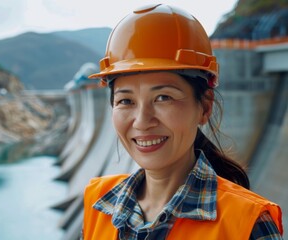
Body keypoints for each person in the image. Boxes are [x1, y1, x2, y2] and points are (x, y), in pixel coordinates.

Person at [82, 3, 284, 239]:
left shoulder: (247, 223)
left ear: (205, 107)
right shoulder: (99, 203)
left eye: (163, 97)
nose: (142, 121)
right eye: (125, 101)